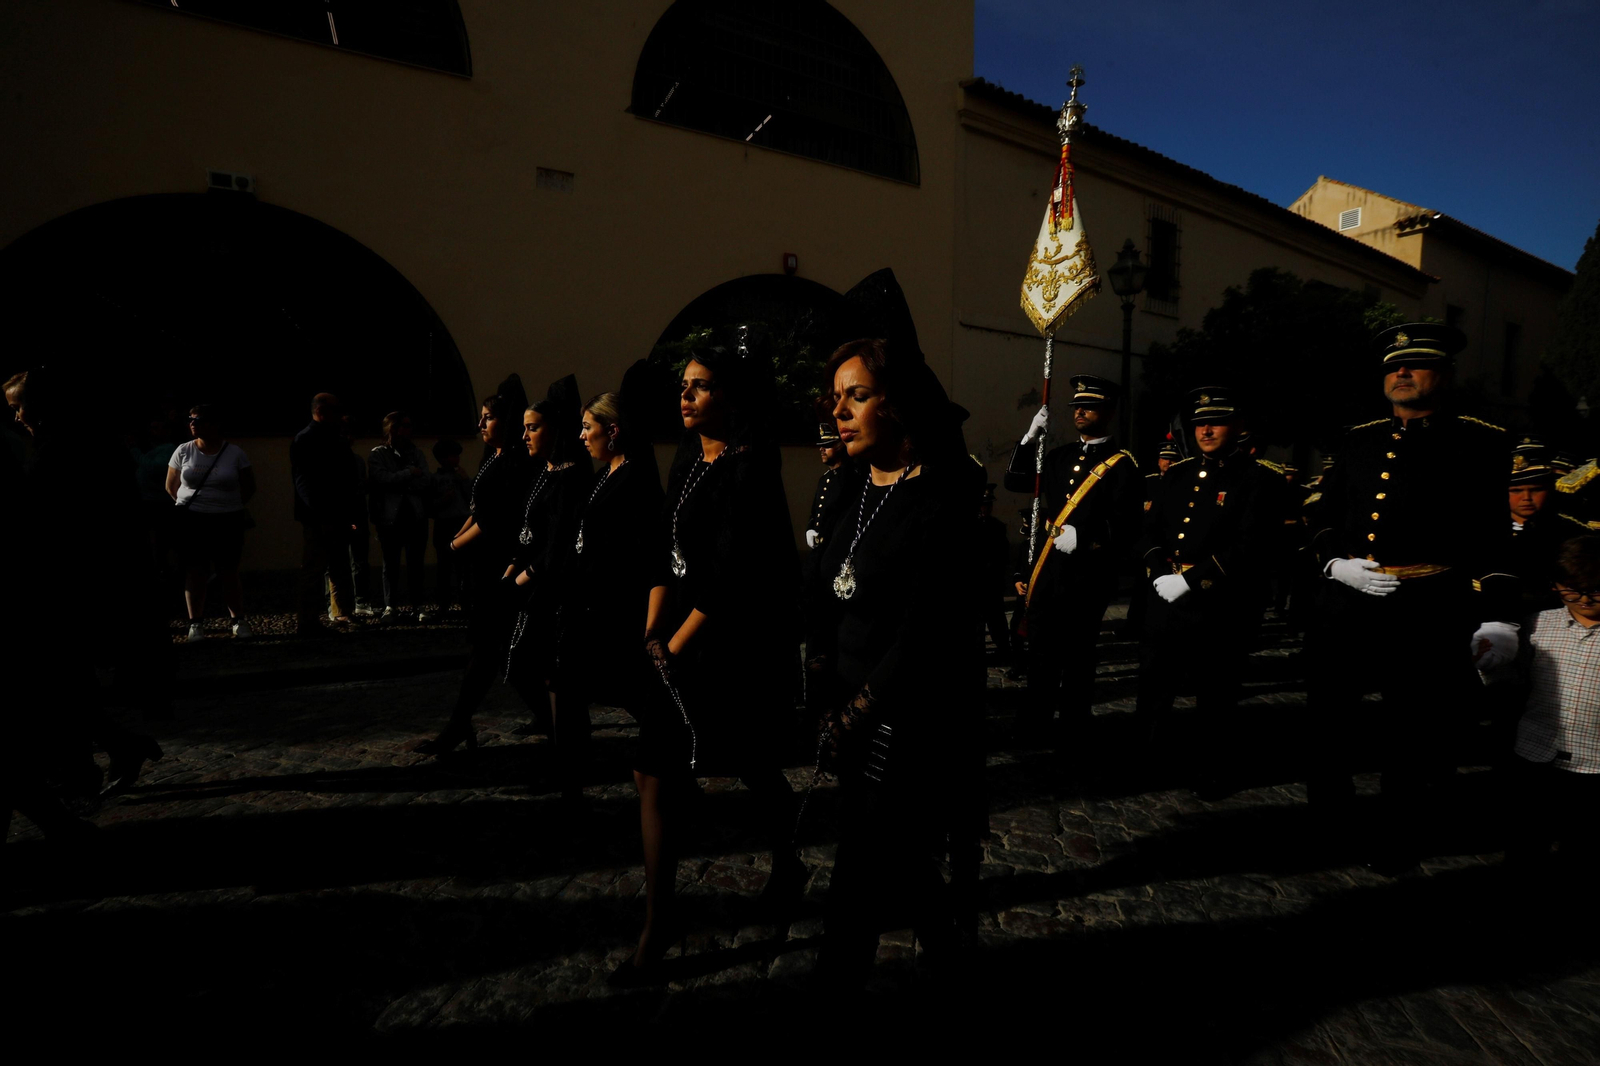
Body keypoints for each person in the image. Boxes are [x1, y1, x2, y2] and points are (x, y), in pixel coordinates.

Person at [806, 275, 986, 987]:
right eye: (836, 397)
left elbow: (924, 628)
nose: (839, 412)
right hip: (846, 714)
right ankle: (949, 960)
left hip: (901, 721)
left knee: (857, 880)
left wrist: (859, 711)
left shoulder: (935, 498)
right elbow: (827, 596)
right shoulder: (851, 486)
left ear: (895, 402)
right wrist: (824, 687)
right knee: (908, 864)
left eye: (856, 396)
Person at [609, 344, 806, 986]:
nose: (686, 396)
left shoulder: (750, 467)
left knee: (688, 768)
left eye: (700, 386)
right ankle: (778, 861)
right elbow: (666, 553)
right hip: (680, 640)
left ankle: (660, 923)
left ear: (731, 397)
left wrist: (671, 648)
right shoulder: (688, 461)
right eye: (684, 386)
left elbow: (729, 579)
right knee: (673, 770)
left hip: (730, 644)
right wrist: (650, 634)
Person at [1303, 323, 1518, 872]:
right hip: (1350, 601)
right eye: (1393, 366)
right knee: (1330, 721)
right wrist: (1333, 563)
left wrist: (1496, 616)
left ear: (1443, 375)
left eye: (1416, 364)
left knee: (1413, 729)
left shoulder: (1481, 442)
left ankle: (1399, 835)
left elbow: (1492, 534)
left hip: (1428, 604)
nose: (1401, 372)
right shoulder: (1358, 439)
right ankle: (1328, 823)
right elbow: (1321, 515)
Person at [1134, 386, 1281, 793]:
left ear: (1237, 425)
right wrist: (1159, 570)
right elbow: (1148, 530)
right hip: (1166, 597)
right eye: (1200, 423)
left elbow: (1250, 546)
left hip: (1219, 605)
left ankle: (1211, 771)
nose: (1206, 429)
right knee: (1154, 687)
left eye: (1215, 421)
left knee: (1215, 694)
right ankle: (1148, 761)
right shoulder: (1177, 475)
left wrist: (1190, 579)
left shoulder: (1258, 479)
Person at [1004, 375, 1142, 759]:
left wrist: (1088, 538)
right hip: (1050, 573)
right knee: (1042, 654)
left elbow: (1129, 525)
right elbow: (1016, 482)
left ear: (1109, 412)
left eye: (1089, 406)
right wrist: (1029, 439)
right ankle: (1035, 724)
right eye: (1076, 406)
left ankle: (1073, 729)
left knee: (1078, 656)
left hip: (1088, 577)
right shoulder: (1058, 455)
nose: (1079, 411)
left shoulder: (1122, 466)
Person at [416, 380, 533, 754]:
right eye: (481, 418)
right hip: (484, 565)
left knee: (491, 650)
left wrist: (454, 545)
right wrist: (457, 538)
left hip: (500, 564)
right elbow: (475, 511)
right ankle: (547, 719)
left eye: (489, 418)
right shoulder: (492, 460)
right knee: (500, 651)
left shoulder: (513, 462)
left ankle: (458, 724)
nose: (481, 425)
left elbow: (493, 519)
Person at [504, 376, 591, 797]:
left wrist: (524, 575)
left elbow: (557, 544)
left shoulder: (570, 476)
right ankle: (564, 757)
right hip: (533, 581)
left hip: (554, 590)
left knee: (548, 673)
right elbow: (531, 531)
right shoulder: (547, 471)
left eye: (533, 427)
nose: (525, 435)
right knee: (539, 672)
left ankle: (568, 762)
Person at [1505, 535, 1600, 879]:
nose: (1586, 599)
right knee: (1526, 842)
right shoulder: (1536, 625)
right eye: (1573, 590)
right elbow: (1511, 682)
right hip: (1535, 751)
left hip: (1594, 764)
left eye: (1596, 590)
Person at [166, 403, 255, 641]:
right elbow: (171, 486)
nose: (193, 424)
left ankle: (238, 620)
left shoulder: (235, 453)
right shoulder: (183, 451)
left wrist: (226, 505)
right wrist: (190, 505)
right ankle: (196, 623)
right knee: (195, 571)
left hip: (227, 519)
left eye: (199, 419)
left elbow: (248, 486)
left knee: (228, 570)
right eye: (191, 419)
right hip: (194, 520)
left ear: (214, 425)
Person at [291, 393, 361, 637]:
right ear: (321, 411)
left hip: (336, 513)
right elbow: (305, 482)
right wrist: (321, 515)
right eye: (336, 409)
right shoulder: (307, 439)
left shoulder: (330, 437)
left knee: (339, 565)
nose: (340, 415)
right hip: (320, 515)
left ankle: (341, 613)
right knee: (315, 568)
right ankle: (308, 622)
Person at [368, 410, 431, 623]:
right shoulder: (377, 454)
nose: (409, 430)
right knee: (390, 565)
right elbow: (382, 480)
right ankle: (390, 606)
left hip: (415, 516)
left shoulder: (416, 453)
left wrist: (401, 479)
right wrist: (408, 474)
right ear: (392, 428)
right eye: (404, 425)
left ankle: (417, 605)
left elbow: (425, 482)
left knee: (416, 565)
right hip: (390, 518)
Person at [427, 438, 470, 619]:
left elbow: (471, 498)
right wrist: (442, 501)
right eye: (453, 456)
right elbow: (429, 506)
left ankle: (466, 604)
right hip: (444, 524)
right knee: (444, 568)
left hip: (461, 523)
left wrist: (465, 481)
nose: (457, 459)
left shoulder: (461, 475)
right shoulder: (435, 479)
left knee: (463, 568)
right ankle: (443, 605)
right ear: (443, 458)